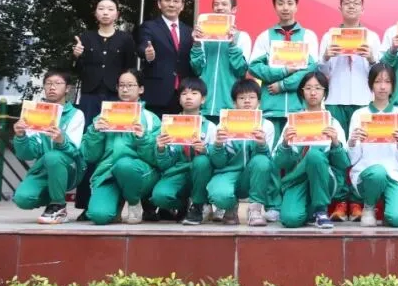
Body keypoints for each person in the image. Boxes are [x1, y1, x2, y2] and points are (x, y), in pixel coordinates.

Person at [71, 0, 136, 218]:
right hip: (90, 97)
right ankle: (85, 204)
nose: (106, 12)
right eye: (101, 8)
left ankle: (113, 202)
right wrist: (76, 57)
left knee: (113, 147)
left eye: (110, 9)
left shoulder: (125, 39)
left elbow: (129, 70)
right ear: (95, 12)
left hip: (115, 98)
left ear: (117, 13)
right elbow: (76, 70)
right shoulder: (85, 38)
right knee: (90, 146)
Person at [319, 0, 381, 222]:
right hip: (335, 100)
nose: (351, 6)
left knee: (361, 150)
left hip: (363, 101)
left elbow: (379, 73)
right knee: (337, 151)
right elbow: (321, 73)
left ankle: (357, 201)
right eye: (347, 3)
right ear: (340, 7)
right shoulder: (330, 36)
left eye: (356, 3)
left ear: (362, 9)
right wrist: (326, 56)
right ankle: (339, 201)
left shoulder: (371, 37)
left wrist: (372, 58)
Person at [80, 69, 161, 225]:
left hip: (140, 174)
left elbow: (157, 159)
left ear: (141, 89)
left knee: (124, 165)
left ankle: (134, 202)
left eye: (130, 85)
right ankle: (116, 204)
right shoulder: (103, 117)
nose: (125, 89)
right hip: (108, 174)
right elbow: (90, 156)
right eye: (121, 85)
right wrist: (95, 133)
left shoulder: (151, 119)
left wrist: (143, 138)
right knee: (99, 216)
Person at [276, 71, 350, 229]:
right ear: (302, 92)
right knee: (291, 219)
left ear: (325, 92)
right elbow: (279, 162)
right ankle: (310, 211)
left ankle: (320, 210)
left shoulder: (332, 123)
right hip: (297, 179)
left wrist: (335, 143)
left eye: (318, 88)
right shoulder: (293, 122)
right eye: (308, 88)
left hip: (325, 178)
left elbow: (343, 163)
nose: (313, 92)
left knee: (314, 156)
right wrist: (285, 144)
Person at [11, 69, 85, 225]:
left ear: (67, 88)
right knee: (22, 199)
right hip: (43, 168)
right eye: (48, 83)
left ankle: (59, 206)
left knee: (54, 156)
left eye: (58, 83)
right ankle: (52, 199)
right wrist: (20, 136)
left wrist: (61, 140)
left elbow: (75, 151)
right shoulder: (35, 113)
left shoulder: (76, 114)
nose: (52, 87)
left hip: (69, 168)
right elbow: (27, 154)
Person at [347, 64, 398, 227]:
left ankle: (389, 210)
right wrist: (353, 142)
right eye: (377, 81)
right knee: (377, 172)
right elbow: (353, 159)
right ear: (371, 85)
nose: (382, 87)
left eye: (387, 82)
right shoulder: (359, 115)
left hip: (395, 174)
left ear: (393, 86)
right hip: (368, 174)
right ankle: (369, 207)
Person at [248, 0, 320, 137]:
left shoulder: (308, 36)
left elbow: (311, 67)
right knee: (271, 148)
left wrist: (283, 85)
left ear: (296, 6)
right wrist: (283, 71)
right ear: (275, 7)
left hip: (299, 107)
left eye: (289, 3)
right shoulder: (265, 36)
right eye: (280, 3)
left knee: (297, 147)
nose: (285, 8)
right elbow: (254, 67)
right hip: (271, 107)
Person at [206, 79, 277, 226]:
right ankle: (230, 207)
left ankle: (255, 209)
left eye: (251, 97)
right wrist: (218, 144)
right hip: (228, 173)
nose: (247, 101)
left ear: (259, 102)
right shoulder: (223, 125)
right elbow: (218, 163)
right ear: (234, 103)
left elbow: (268, 161)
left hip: (252, 176)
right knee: (219, 195)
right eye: (242, 98)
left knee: (262, 161)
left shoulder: (266, 125)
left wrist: (262, 144)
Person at [149, 77, 216, 226]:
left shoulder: (210, 127)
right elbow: (165, 164)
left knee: (202, 161)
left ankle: (198, 205)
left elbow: (218, 160)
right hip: (177, 173)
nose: (188, 97)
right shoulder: (169, 125)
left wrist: (206, 150)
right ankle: (183, 205)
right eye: (184, 94)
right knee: (159, 197)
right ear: (179, 99)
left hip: (201, 175)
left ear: (203, 99)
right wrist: (161, 149)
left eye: (194, 93)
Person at [190, 0, 252, 122]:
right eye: (216, 4)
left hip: (230, 105)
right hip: (204, 105)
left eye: (224, 4)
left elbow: (241, 70)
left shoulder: (242, 37)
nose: (219, 7)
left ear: (233, 9)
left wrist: (232, 44)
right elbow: (197, 69)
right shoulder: (203, 36)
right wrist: (196, 42)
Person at [137, 0, 193, 116]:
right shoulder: (149, 27)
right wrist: (147, 53)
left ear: (182, 6)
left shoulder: (189, 31)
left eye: (176, 1)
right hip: (157, 93)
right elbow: (143, 45)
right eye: (167, 0)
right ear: (159, 4)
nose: (171, 4)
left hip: (183, 94)